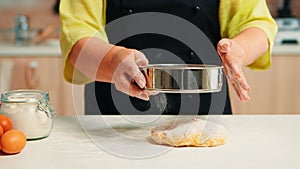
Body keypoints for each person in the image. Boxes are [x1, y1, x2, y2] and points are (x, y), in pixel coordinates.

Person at [59, 0, 277, 115]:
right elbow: (77, 38)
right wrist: (113, 60)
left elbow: (256, 23)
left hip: (204, 113)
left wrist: (239, 50)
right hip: (115, 116)